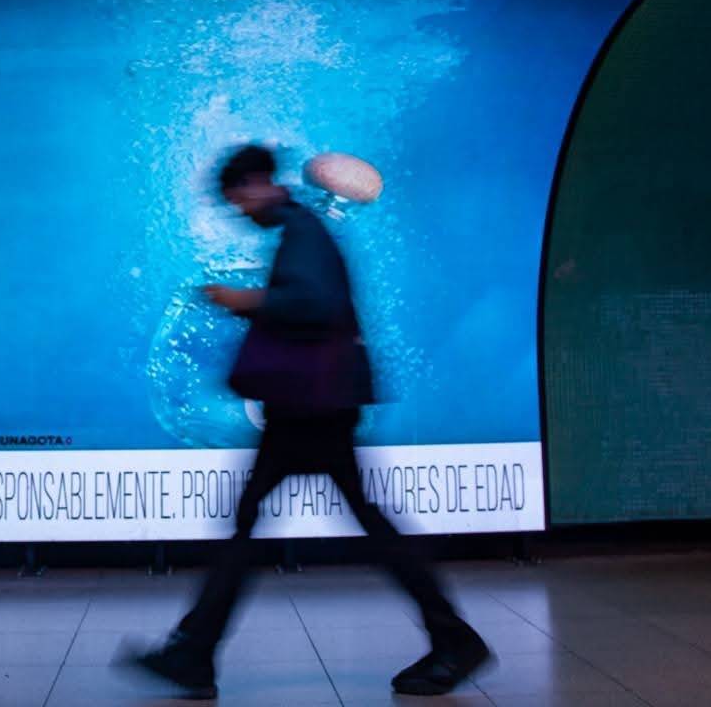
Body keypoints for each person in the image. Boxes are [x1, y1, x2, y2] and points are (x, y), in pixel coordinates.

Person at [126, 144, 490, 699]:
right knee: (292, 521)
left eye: (238, 199)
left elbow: (312, 305)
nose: (240, 211)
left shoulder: (303, 231)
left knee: (275, 524)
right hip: (310, 405)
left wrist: (243, 300)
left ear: (258, 184)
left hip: (312, 407)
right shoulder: (301, 230)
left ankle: (194, 654)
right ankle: (194, 653)